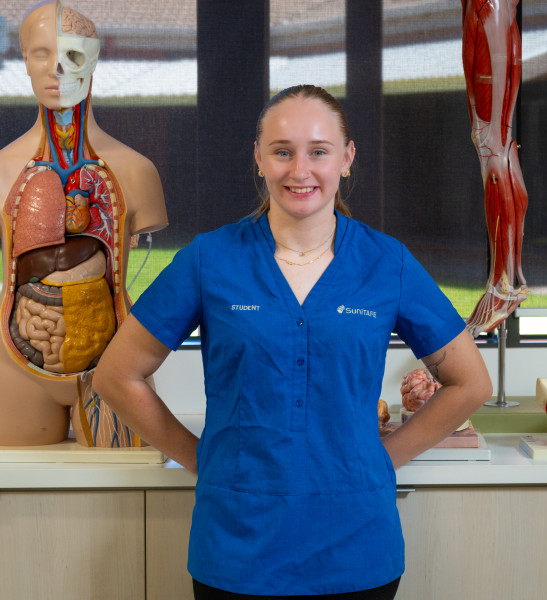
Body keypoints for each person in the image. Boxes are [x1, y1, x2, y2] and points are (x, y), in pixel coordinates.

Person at [93, 84, 492, 598]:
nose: (300, 170)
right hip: (237, 549)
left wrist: (382, 459)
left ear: (347, 158)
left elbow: (470, 382)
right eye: (282, 151)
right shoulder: (209, 259)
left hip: (357, 549)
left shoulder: (386, 262)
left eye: (318, 152)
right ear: (259, 159)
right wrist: (202, 458)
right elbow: (117, 375)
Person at [0, 1, 167, 447]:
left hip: (114, 363)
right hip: (16, 363)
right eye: (41, 54)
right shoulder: (2, 170)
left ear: (93, 61)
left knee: (126, 481)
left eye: (72, 55)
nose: (56, 69)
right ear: (24, 61)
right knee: (21, 482)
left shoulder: (136, 171)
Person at [461, 0, 529, 336]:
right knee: (499, 153)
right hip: (491, 21)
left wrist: (487, 122)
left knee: (495, 156)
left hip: (490, 19)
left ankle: (503, 285)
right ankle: (507, 281)